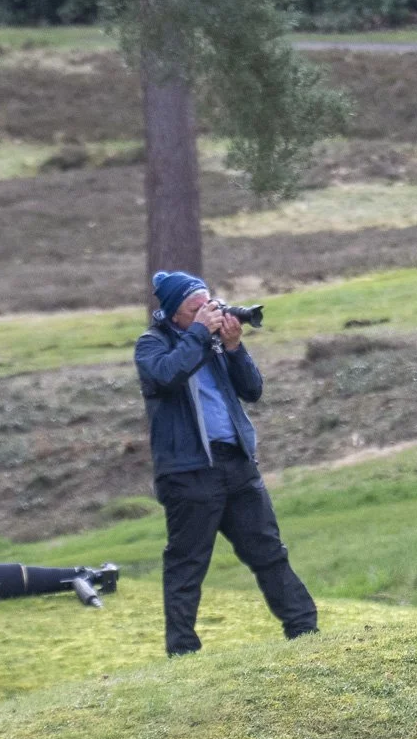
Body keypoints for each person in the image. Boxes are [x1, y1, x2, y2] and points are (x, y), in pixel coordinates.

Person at [136, 270, 317, 655]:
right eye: (196, 308)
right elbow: (167, 376)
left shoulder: (215, 341)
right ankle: (183, 651)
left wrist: (234, 348)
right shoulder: (152, 345)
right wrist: (201, 333)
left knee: (268, 551)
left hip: (236, 463)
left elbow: (252, 390)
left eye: (209, 303)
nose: (208, 312)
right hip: (188, 472)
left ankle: (305, 630)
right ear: (174, 313)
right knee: (187, 565)